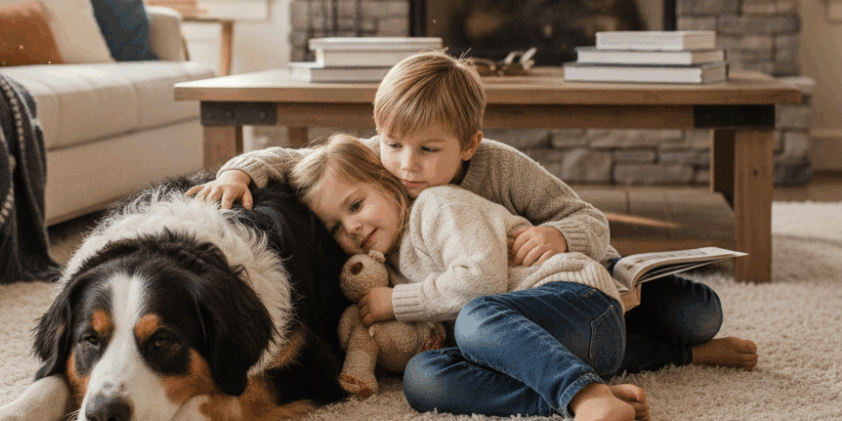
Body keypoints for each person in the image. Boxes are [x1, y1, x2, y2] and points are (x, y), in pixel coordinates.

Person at [187, 51, 758, 375]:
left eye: (427, 149)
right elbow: (297, 160)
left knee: (695, 312)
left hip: (567, 274)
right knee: (508, 341)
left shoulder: (500, 166)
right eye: (392, 144)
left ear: (468, 143)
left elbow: (589, 219)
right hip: (501, 303)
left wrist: (557, 235)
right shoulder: (378, 163)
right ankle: (672, 354)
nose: (406, 165)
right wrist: (240, 171)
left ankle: (657, 308)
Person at [289, 134, 647, 421]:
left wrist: (396, 302)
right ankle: (570, 395)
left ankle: (590, 396)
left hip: (576, 302)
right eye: (335, 227)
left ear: (385, 180)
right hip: (551, 349)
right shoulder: (384, 265)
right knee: (423, 377)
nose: (351, 227)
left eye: (356, 205)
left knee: (477, 316)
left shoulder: (436, 206)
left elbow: (480, 285)